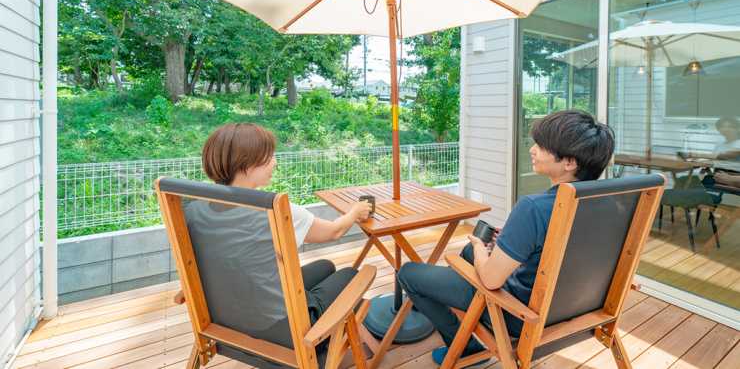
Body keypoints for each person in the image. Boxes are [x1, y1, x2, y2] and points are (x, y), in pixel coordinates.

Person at [398, 110, 615, 367]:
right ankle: (458, 298)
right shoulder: (609, 203)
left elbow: (490, 281)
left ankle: (464, 347)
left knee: (410, 272)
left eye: (542, 146)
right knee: (469, 253)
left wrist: (481, 246)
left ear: (569, 162)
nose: (533, 150)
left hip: (519, 313)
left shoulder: (533, 207)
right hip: (578, 307)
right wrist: (515, 235)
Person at [185, 123, 372, 350]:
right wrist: (355, 212)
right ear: (246, 167)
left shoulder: (194, 211)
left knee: (326, 266)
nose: (275, 162)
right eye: (269, 156)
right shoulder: (273, 210)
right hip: (283, 331)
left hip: (227, 320)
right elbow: (335, 231)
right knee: (352, 274)